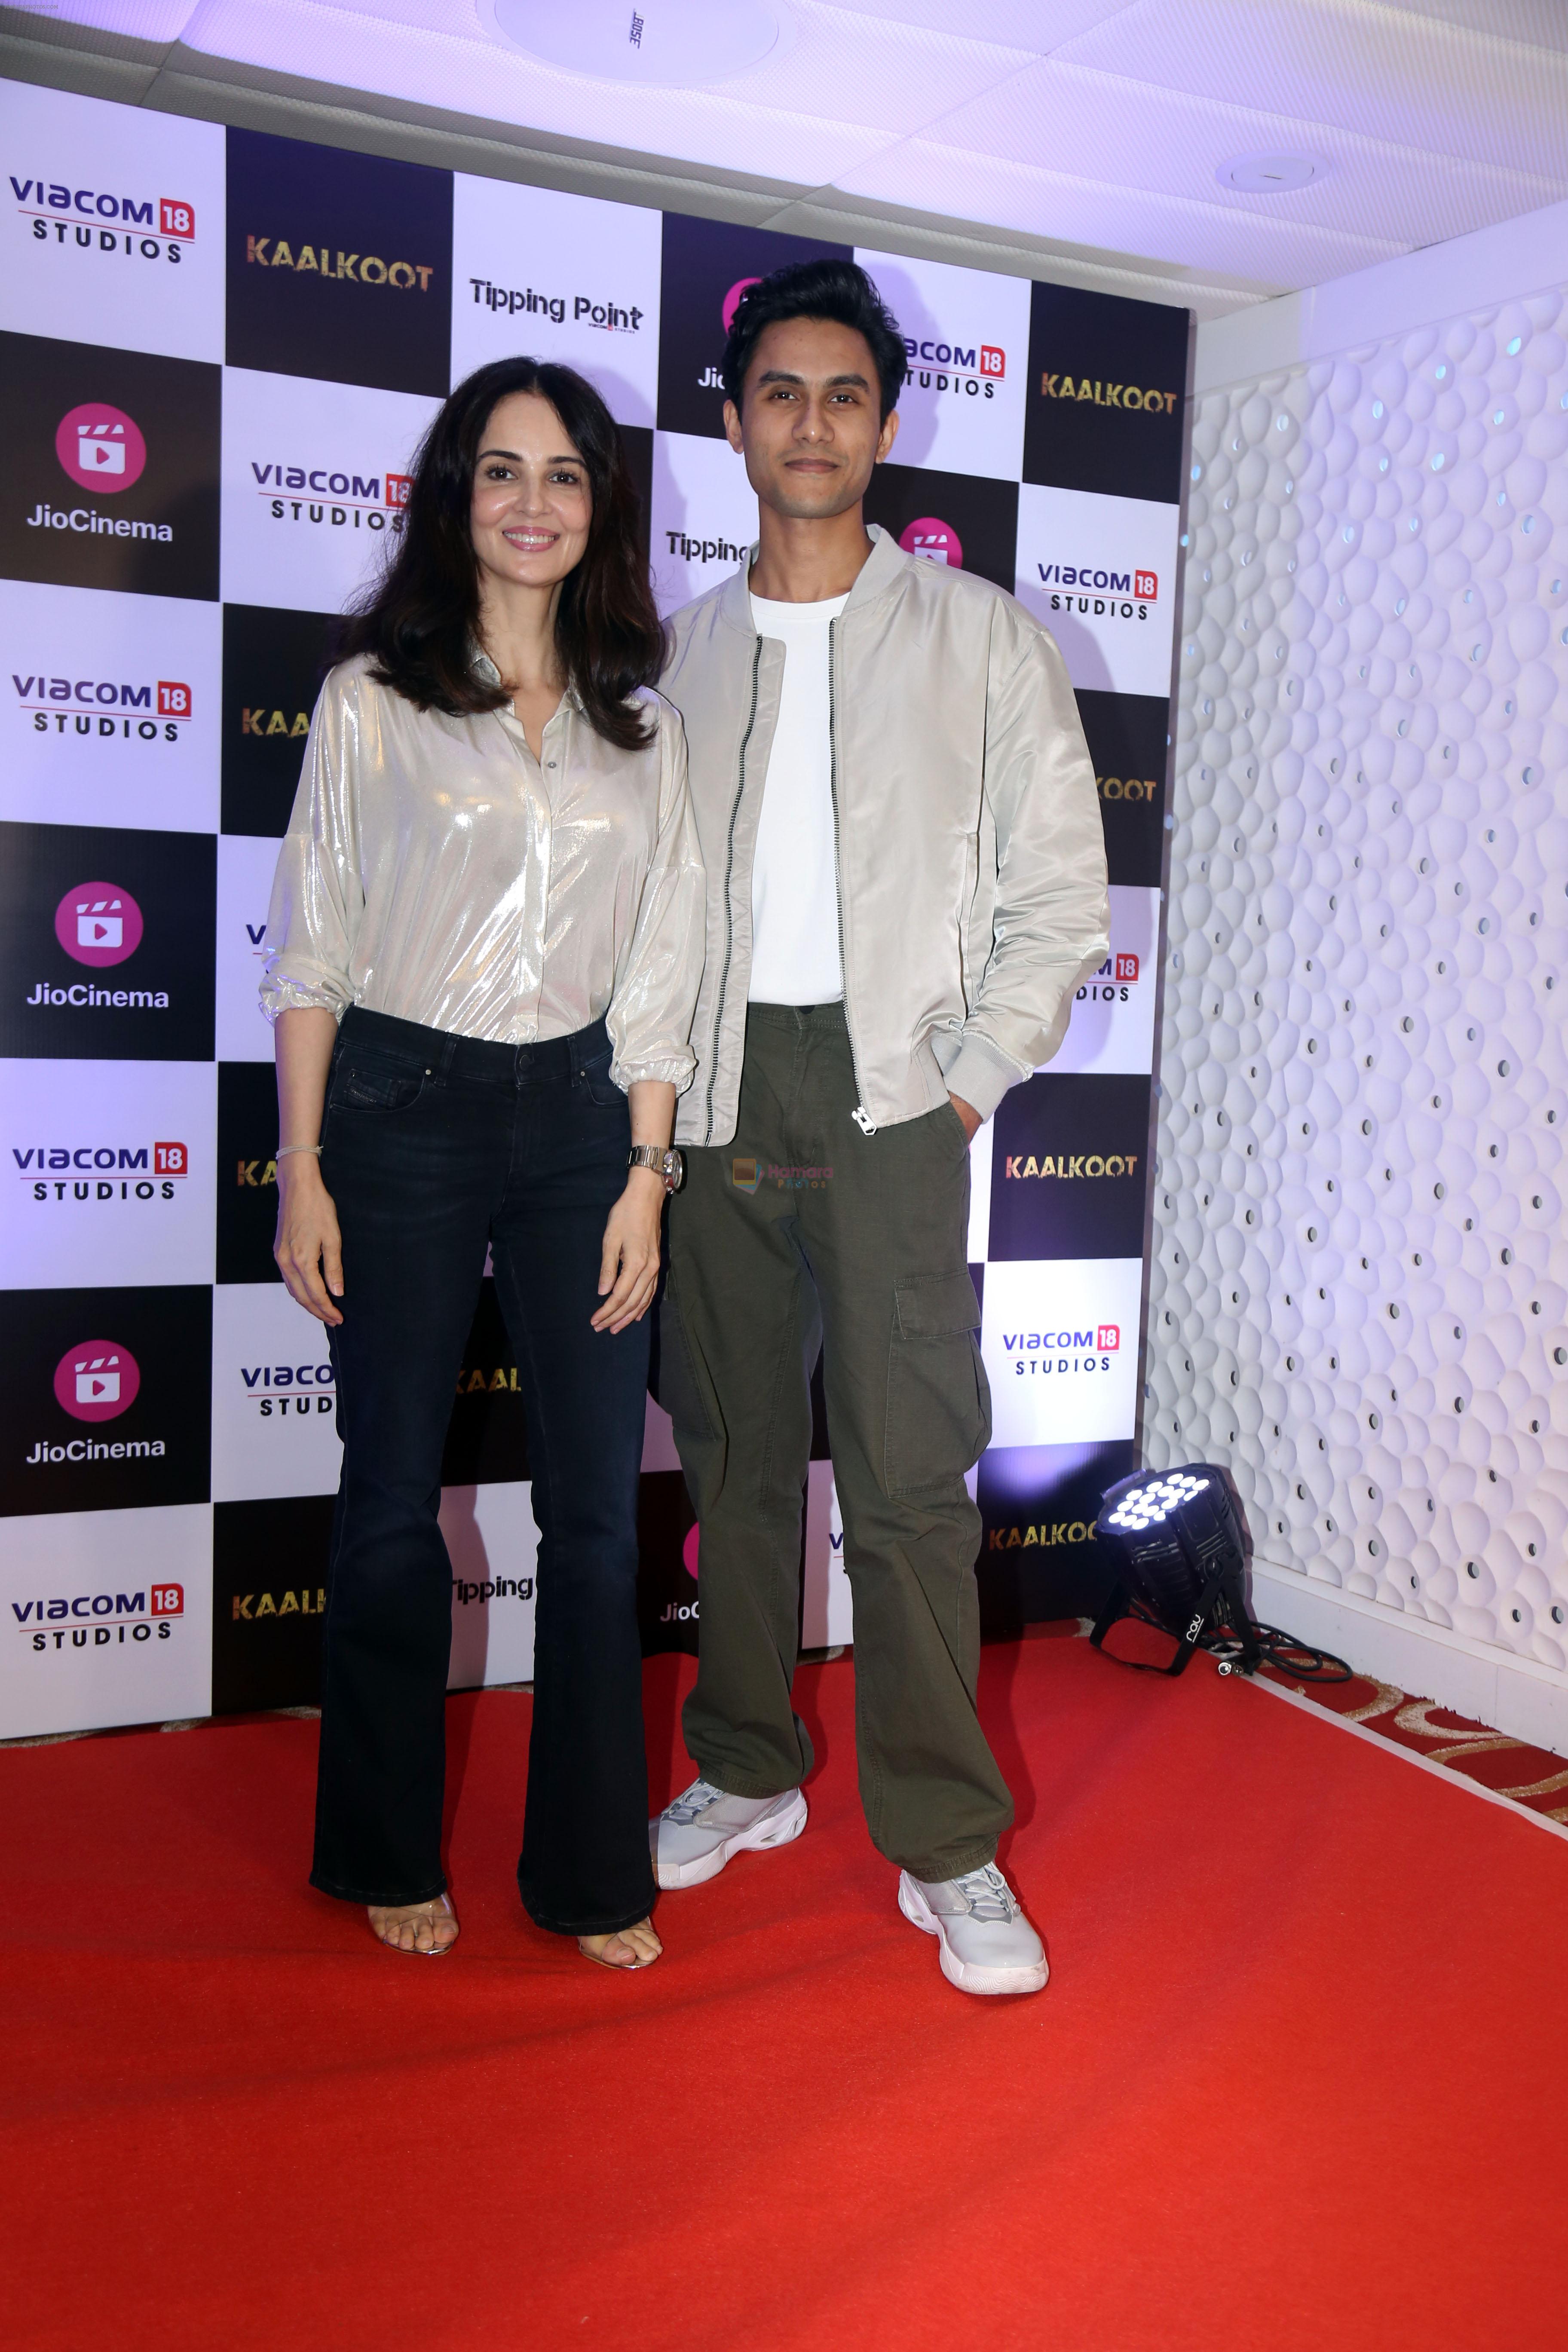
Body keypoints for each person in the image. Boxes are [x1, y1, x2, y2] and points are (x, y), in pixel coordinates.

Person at [651, 260, 1109, 1997]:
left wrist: (973, 1073)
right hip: (710, 1104)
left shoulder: (979, 635)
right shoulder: (680, 654)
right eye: (782, 392)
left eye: (846, 394)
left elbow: (1062, 891)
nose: (813, 423)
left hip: (898, 1096)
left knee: (912, 1480)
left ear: (888, 422)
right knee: (738, 1457)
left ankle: (950, 1846)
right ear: (734, 417)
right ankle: (748, 1769)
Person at [261, 358, 703, 1968]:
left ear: (603, 507)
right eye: (501, 471)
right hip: (399, 1114)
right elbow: (312, 954)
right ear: (458, 493)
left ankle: (589, 1871)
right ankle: (382, 1842)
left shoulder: (645, 730)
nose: (533, 504)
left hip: (585, 1123)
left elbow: (664, 970)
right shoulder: (373, 699)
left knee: (594, 1516)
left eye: (565, 475)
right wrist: (300, 1167)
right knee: (390, 1501)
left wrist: (648, 1173)